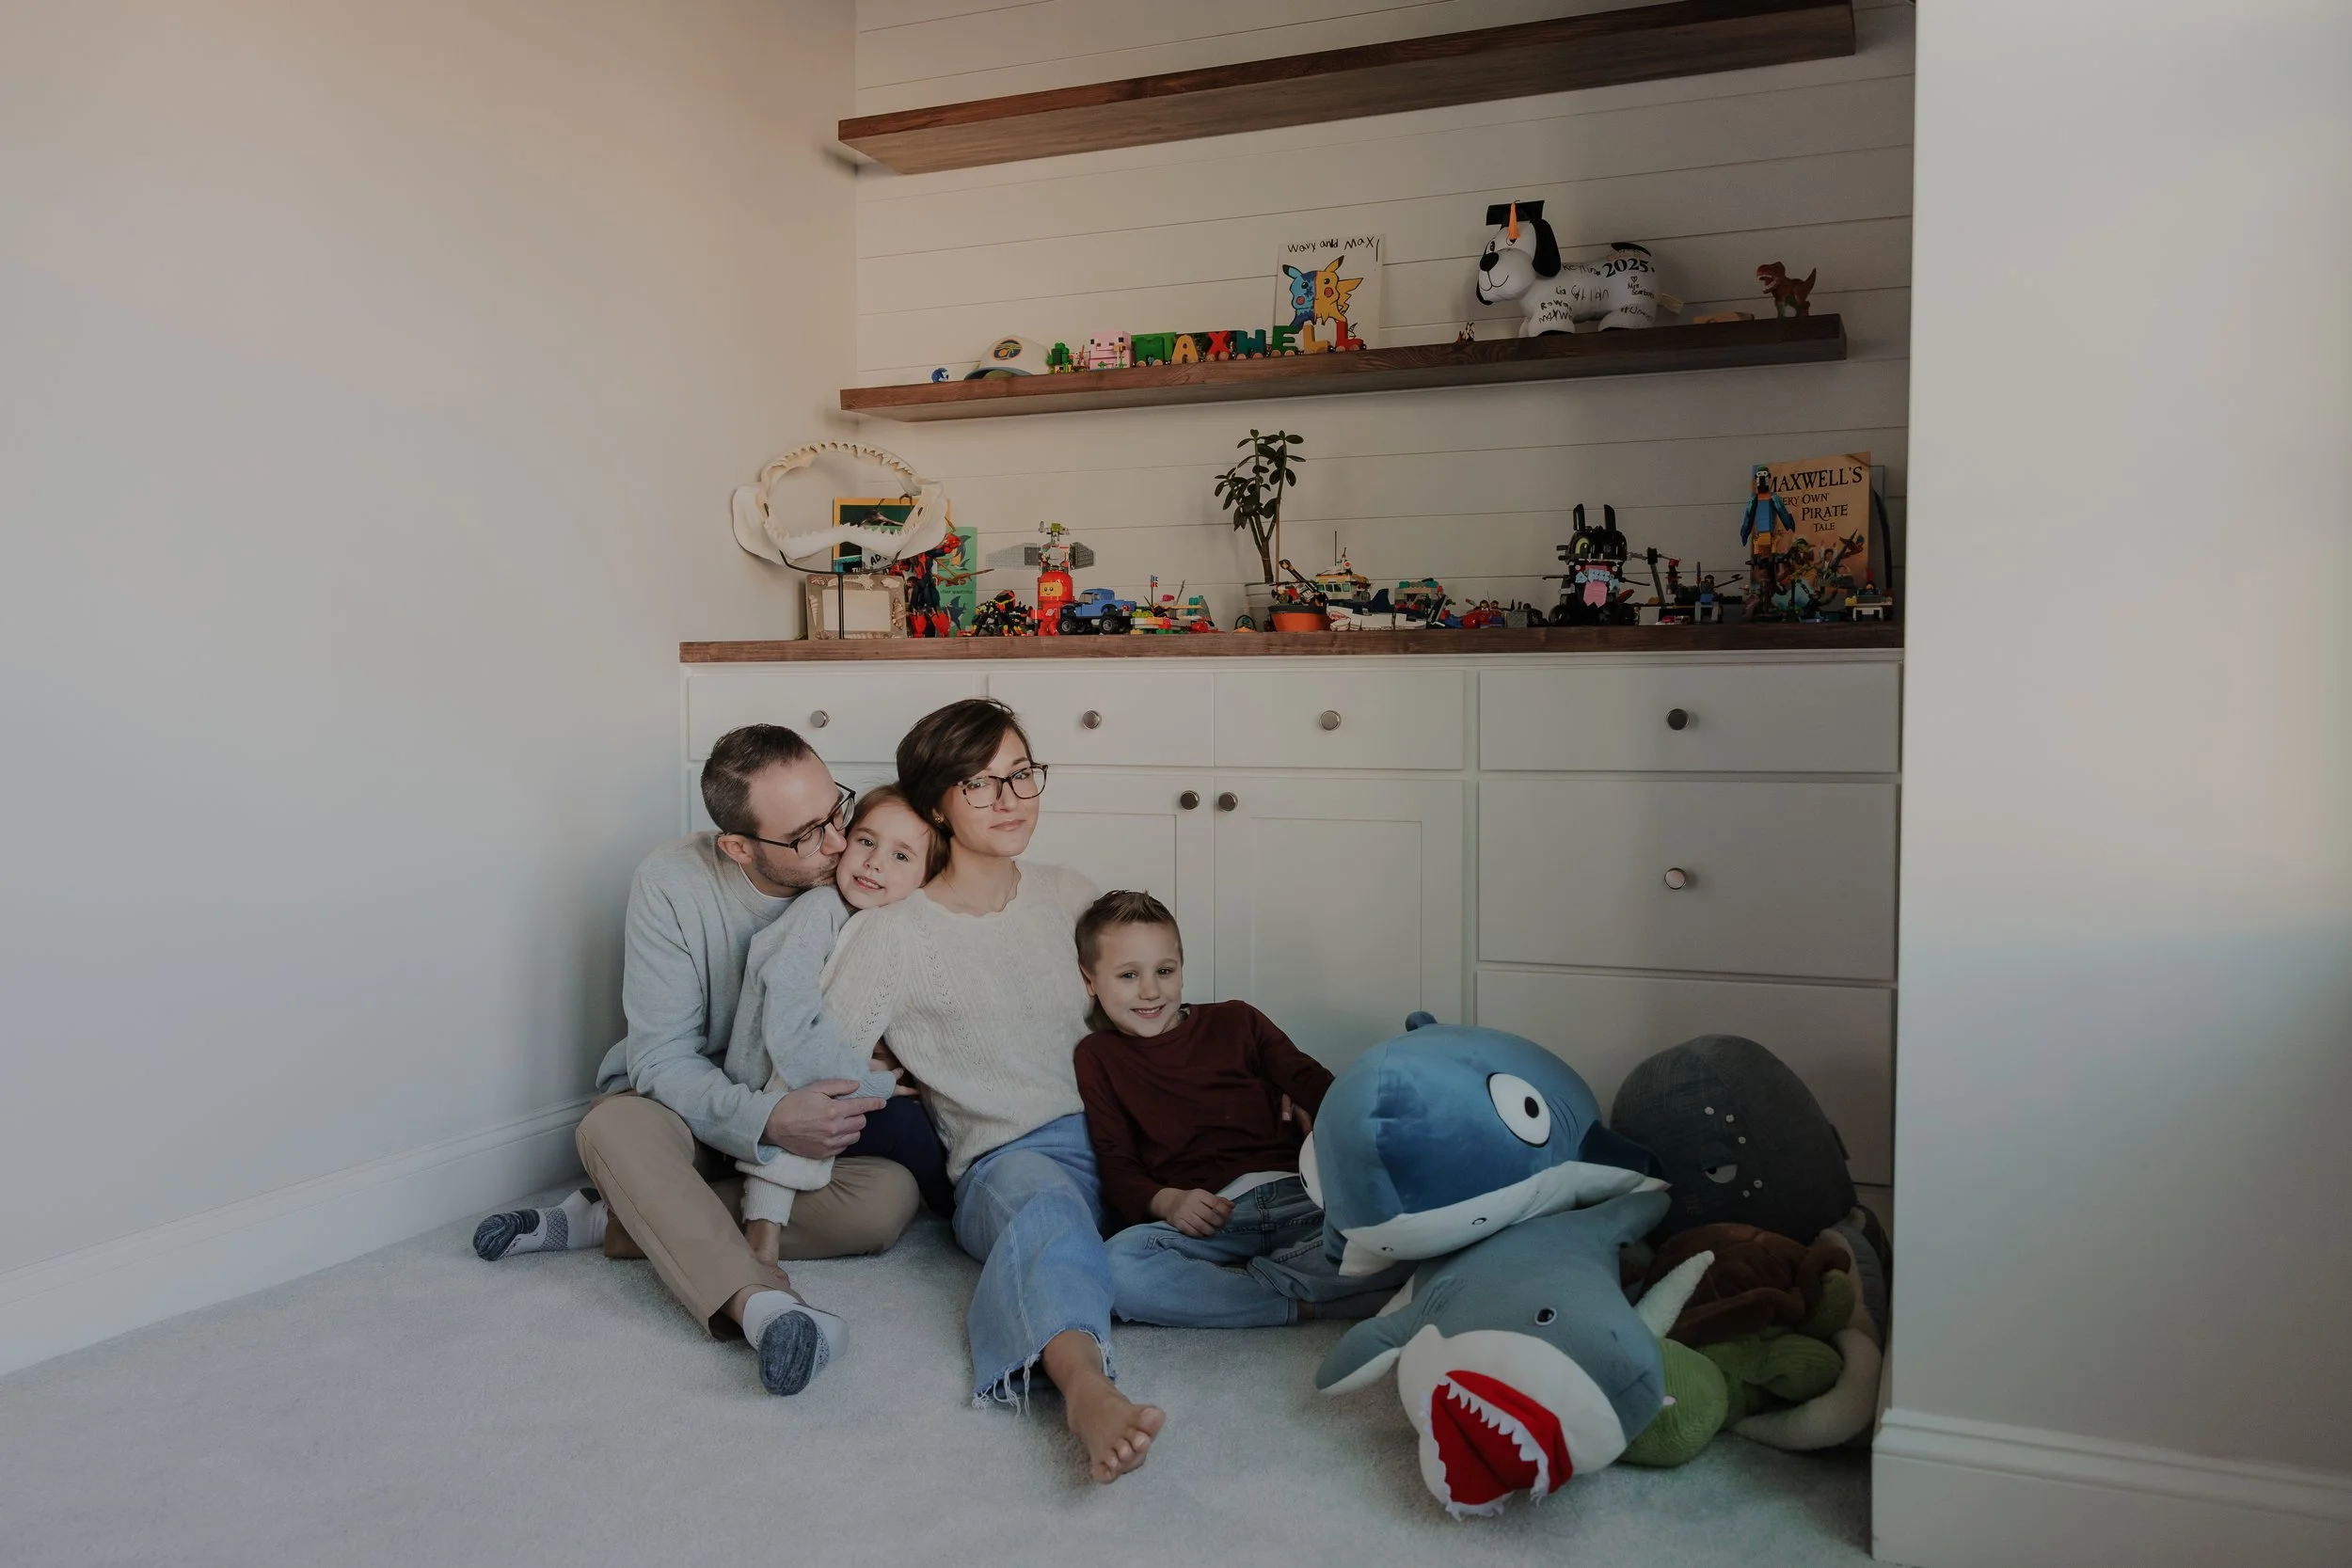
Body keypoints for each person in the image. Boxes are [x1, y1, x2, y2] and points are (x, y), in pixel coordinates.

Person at [470, 724, 925, 1397]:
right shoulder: (671, 882)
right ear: (738, 845)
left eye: (838, 810)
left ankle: (615, 1221)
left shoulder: (862, 884)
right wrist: (768, 1119)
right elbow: (660, 1058)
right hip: (682, 1118)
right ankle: (763, 1310)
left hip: (779, 1132)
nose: (837, 843)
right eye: (807, 834)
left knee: (888, 1200)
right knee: (608, 1128)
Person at [820, 698, 1165, 1485]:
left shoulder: (1069, 890)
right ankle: (1086, 1389)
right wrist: (877, 1075)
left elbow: (1144, 1005)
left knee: (1232, 1218)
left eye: (1020, 774)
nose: (1009, 798)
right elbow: (816, 1057)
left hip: (1130, 1131)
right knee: (1047, 1219)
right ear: (937, 800)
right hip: (1010, 1159)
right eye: (980, 783)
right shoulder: (892, 931)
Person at [1071, 891, 1407, 1328]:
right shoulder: (1098, 1057)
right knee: (1117, 1267)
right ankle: (1306, 1302)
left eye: (1165, 971)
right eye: (1128, 975)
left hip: (1299, 1196)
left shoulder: (1237, 1021)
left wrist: (1309, 1106)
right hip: (1209, 1214)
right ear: (1090, 980)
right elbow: (1117, 1164)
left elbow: (1318, 1085)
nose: (1150, 991)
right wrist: (1168, 1201)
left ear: (1181, 968)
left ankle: (1257, 1283)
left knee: (1408, 1222)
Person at [728, 784, 953, 1256]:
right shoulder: (819, 911)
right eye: (866, 841)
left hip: (826, 1073)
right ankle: (963, 1212)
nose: (874, 863)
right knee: (912, 1131)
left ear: (925, 879)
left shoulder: (888, 924)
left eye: (901, 856)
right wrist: (876, 1084)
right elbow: (789, 1033)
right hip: (769, 1091)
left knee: (925, 1122)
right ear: (844, 840)